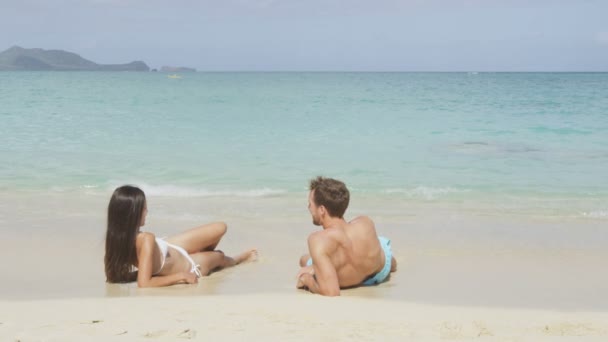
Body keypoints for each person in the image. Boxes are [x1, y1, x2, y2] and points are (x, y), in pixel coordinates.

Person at [104, 185, 257, 287]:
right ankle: (238, 259)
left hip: (171, 247)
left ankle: (204, 253)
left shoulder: (115, 240)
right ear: (133, 214)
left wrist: (137, 273)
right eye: (144, 208)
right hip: (189, 264)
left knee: (220, 227)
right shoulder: (146, 239)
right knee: (220, 257)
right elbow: (144, 284)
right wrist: (181, 276)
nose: (147, 211)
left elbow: (112, 277)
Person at [296, 176, 397, 296]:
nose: (309, 208)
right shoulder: (365, 222)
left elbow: (331, 292)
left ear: (322, 210)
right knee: (381, 246)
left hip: (347, 280)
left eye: (310, 204)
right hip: (379, 273)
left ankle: (313, 267)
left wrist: (307, 280)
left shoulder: (317, 240)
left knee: (304, 260)